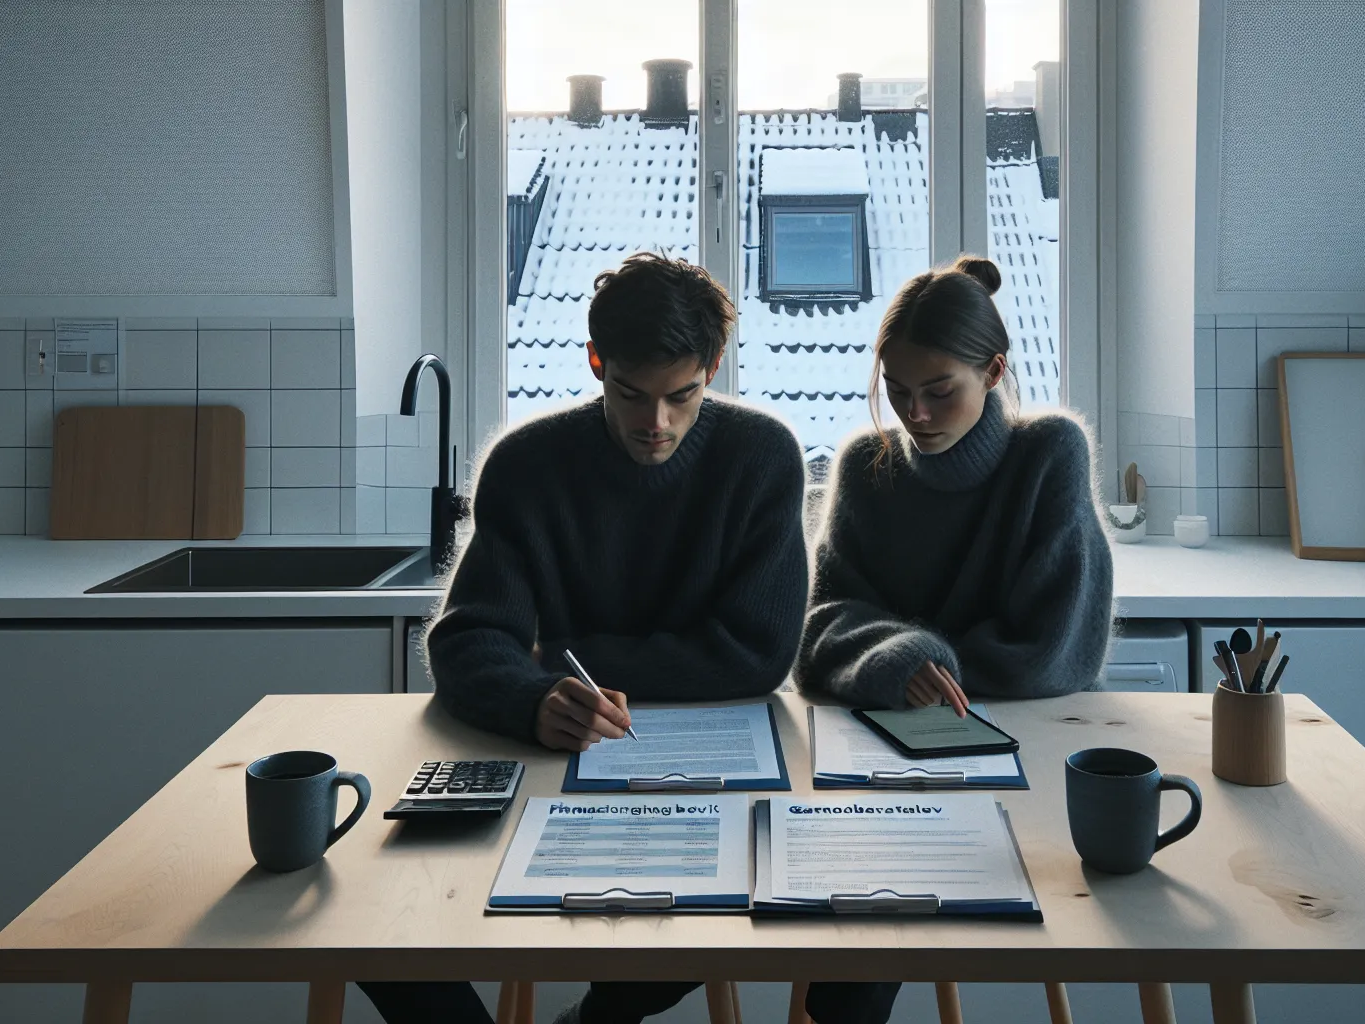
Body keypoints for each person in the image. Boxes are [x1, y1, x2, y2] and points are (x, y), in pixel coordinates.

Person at [358, 253, 899, 1024]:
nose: (656, 424)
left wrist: (563, 654)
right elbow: (469, 636)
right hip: (567, 765)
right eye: (630, 394)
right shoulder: (527, 465)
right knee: (388, 920)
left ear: (713, 367)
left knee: (792, 925)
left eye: (682, 395)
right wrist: (533, 697)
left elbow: (757, 652)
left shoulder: (760, 456)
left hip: (723, 771)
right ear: (595, 362)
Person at [796, 255, 1114, 711]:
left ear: (993, 373)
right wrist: (900, 663)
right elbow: (817, 629)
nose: (915, 414)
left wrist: (906, 666)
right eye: (897, 389)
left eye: (940, 392)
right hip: (890, 728)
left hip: (1037, 725)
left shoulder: (1049, 454)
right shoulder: (864, 465)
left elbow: (1055, 652)